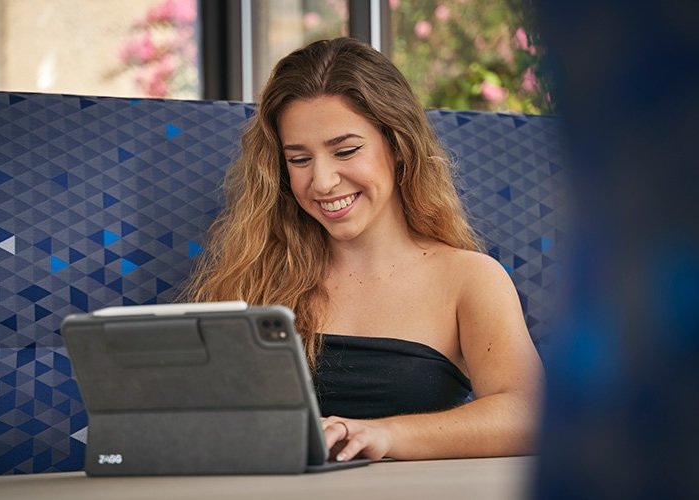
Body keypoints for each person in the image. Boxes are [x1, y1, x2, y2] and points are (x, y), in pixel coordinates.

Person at [180, 37, 543, 462]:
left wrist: (381, 436)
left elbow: (528, 414)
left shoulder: (470, 278)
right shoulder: (254, 276)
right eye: (299, 159)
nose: (323, 181)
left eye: (346, 151)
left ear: (399, 146)